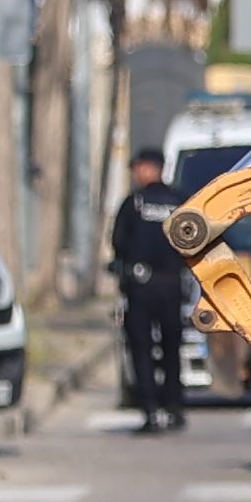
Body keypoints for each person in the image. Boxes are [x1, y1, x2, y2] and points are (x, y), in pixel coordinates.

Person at [106, 148, 189, 434]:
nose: (137, 174)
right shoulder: (179, 202)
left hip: (145, 285)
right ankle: (170, 409)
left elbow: (118, 241)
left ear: (152, 168)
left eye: (140, 167)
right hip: (169, 284)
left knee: (145, 349)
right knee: (167, 348)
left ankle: (154, 409)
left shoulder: (135, 202)